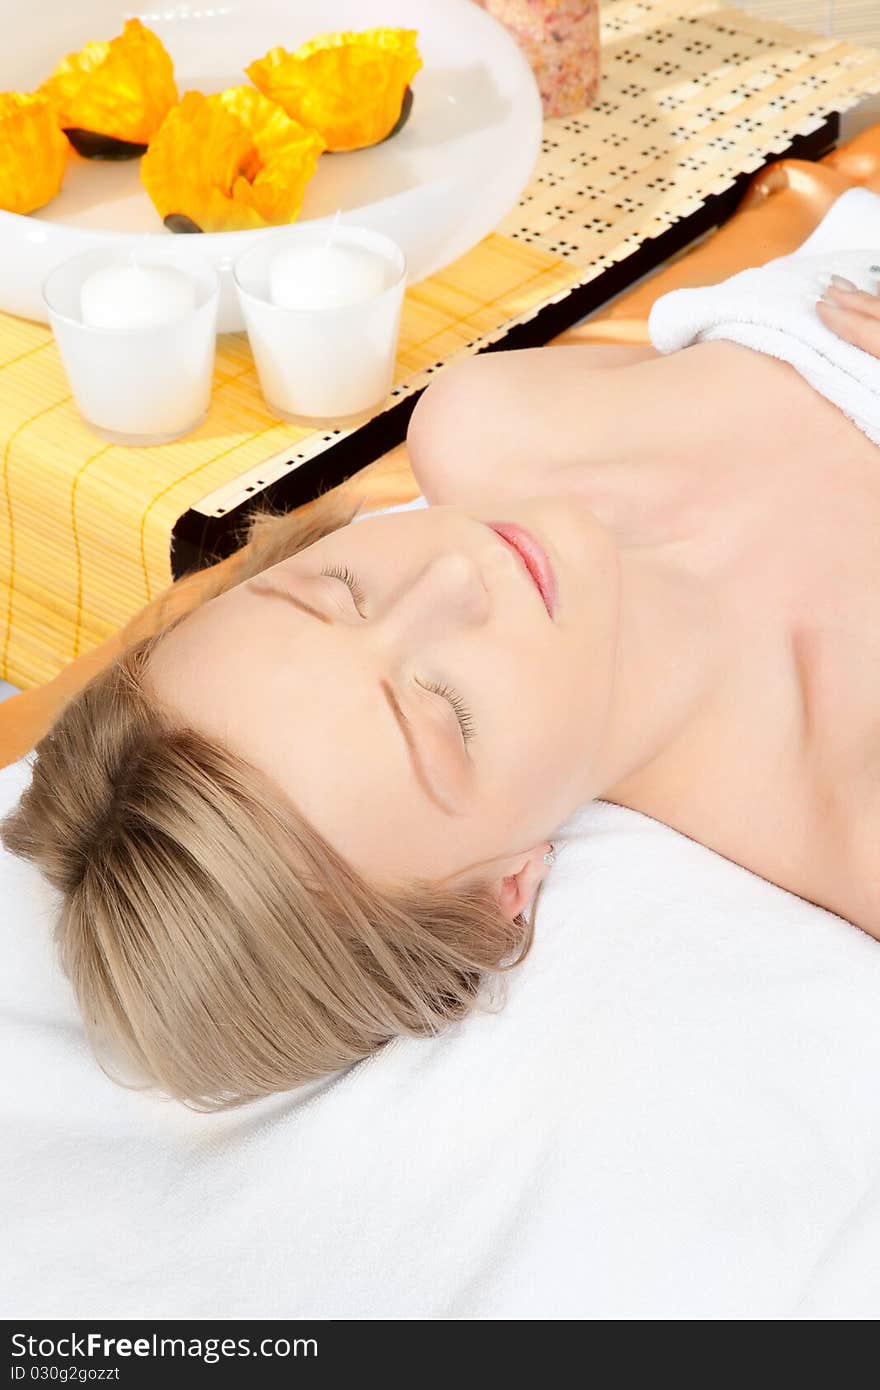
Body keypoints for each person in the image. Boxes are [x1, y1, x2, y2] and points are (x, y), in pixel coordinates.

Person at [3, 238, 879, 1113]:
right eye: (444, 709)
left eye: (338, 589)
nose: (458, 573)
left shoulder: (496, 426)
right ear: (501, 893)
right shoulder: (855, 807)